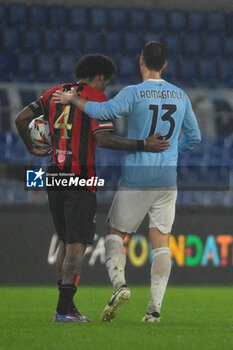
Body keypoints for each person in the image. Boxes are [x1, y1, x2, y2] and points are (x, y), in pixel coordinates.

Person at [53, 42, 202, 323]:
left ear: (141, 61)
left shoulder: (133, 93)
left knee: (114, 234)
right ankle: (154, 311)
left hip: (138, 176)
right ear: (165, 65)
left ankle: (120, 285)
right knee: (161, 244)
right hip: (167, 179)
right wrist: (172, 152)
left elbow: (101, 111)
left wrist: (74, 100)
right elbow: (195, 137)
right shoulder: (181, 95)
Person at [15, 53, 170, 323]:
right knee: (76, 245)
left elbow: (21, 118)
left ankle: (66, 307)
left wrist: (31, 146)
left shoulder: (55, 92)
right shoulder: (95, 99)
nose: (106, 87)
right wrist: (143, 144)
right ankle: (63, 311)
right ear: (99, 77)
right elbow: (104, 139)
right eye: (106, 82)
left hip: (54, 174)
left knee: (66, 242)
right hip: (80, 177)